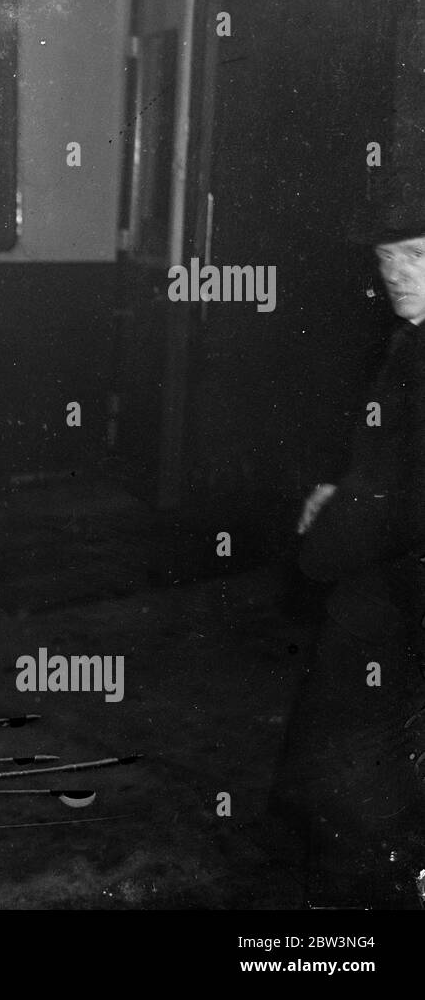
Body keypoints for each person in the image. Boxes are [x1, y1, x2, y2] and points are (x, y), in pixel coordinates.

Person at [275, 205, 425, 908]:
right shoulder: (411, 340)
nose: (396, 274)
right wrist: (344, 491)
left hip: (397, 597)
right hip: (395, 580)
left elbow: (396, 498)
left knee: (349, 773)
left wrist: (325, 538)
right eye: (387, 257)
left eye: (417, 256)